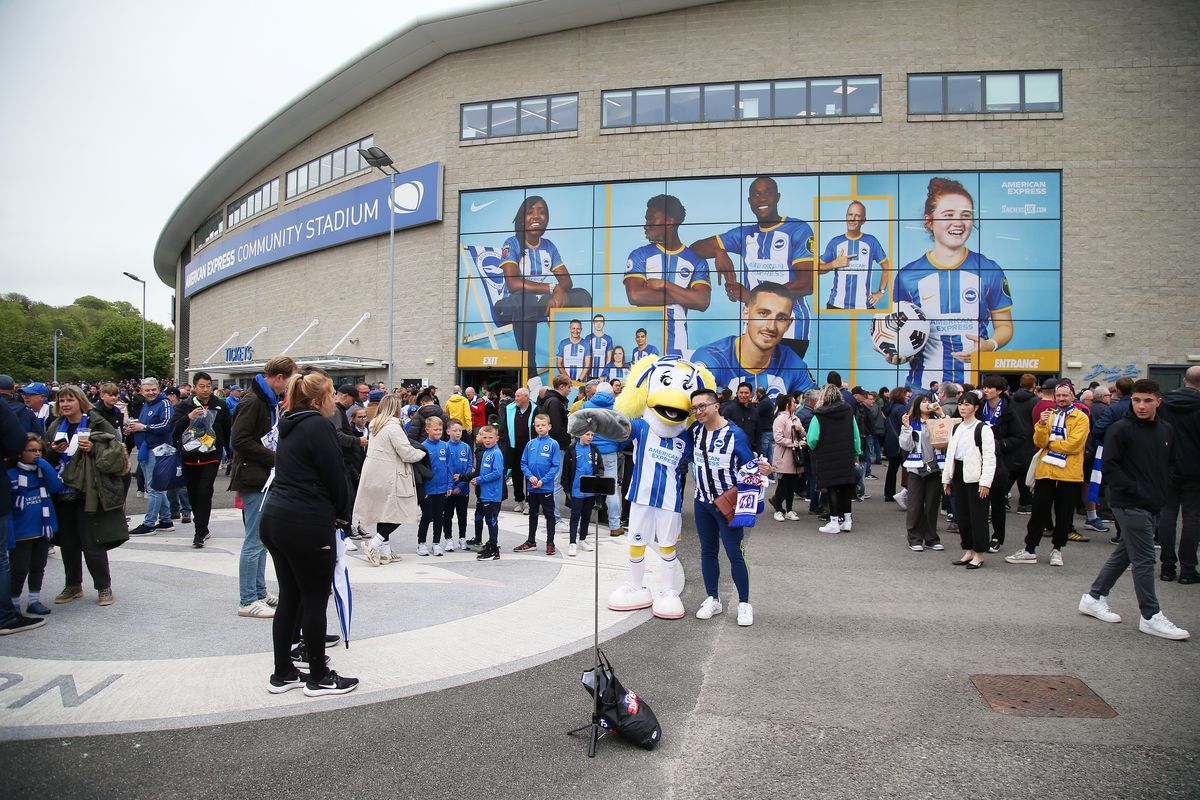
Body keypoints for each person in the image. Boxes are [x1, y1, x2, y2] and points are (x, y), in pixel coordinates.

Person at [259, 371, 358, 696]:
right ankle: (319, 675)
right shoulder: (318, 425)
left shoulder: (290, 423)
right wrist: (343, 515)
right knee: (315, 598)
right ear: (318, 400)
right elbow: (335, 476)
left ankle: (283, 671)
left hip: (277, 517)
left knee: (291, 596)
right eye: (330, 396)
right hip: (305, 521)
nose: (334, 402)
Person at [1079, 379, 1189, 640]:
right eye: (1137, 400)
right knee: (1145, 559)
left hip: (1152, 502)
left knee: (1127, 552)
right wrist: (1137, 491)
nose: (1141, 405)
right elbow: (1110, 467)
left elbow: (1171, 464)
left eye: (1148, 400)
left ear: (1158, 402)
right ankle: (1150, 615)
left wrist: (1161, 492)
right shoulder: (1120, 429)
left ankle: (1094, 597)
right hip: (1127, 503)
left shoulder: (1166, 430)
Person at [892, 177, 1014, 389]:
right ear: (929, 220)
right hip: (923, 389)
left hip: (974, 389)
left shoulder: (989, 269)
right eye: (948, 215)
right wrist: (898, 353)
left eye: (965, 216)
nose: (958, 222)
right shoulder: (907, 275)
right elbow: (899, 330)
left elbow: (1004, 326)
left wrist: (989, 345)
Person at [690, 176, 815, 357]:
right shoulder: (745, 234)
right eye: (756, 194)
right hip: (754, 325)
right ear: (750, 201)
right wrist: (719, 252)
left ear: (777, 197)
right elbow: (696, 248)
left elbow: (806, 284)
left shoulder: (797, 229)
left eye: (768, 193)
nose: (762, 199)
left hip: (790, 326)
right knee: (754, 381)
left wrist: (753, 297)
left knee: (783, 382)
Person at [689, 388, 770, 627]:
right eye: (694, 408)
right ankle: (713, 598)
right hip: (701, 501)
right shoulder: (694, 431)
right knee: (707, 550)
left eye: (702, 406)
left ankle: (744, 603)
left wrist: (765, 469)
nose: (698, 411)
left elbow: (751, 468)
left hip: (726, 505)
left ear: (716, 406)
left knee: (735, 552)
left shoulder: (735, 435)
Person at [43, 385, 127, 607]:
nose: (66, 405)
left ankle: (103, 586)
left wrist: (94, 448)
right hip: (61, 492)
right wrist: (53, 451)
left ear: (81, 401)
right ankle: (73, 585)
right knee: (68, 543)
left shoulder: (96, 422)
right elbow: (42, 457)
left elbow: (117, 451)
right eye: (62, 401)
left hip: (88, 491)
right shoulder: (54, 426)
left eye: (70, 400)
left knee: (92, 542)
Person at [492, 195, 591, 378]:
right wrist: (552, 288)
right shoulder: (512, 243)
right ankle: (530, 370)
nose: (537, 216)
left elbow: (567, 281)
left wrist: (559, 290)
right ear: (522, 218)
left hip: (539, 304)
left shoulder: (549, 246)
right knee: (526, 299)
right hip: (510, 306)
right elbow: (513, 283)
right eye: (530, 212)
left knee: (583, 296)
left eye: (542, 212)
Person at [230, 356, 297, 618]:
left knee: (261, 540)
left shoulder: (265, 400)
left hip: (262, 476)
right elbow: (240, 440)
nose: (289, 386)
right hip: (254, 477)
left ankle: (257, 592)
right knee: (255, 541)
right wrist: (276, 457)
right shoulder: (254, 401)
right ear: (279, 377)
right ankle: (247, 599)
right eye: (289, 379)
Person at [1006, 381, 1089, 567]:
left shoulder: (1081, 418)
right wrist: (1042, 425)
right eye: (1058, 395)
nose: (1061, 399)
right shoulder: (1049, 416)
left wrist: (1052, 444)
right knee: (1039, 512)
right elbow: (1039, 442)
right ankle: (1030, 549)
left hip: (1069, 473)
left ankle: (1057, 549)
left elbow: (1074, 445)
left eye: (1065, 395)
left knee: (1064, 513)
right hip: (1046, 471)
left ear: (1072, 397)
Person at [692, 282, 817, 400]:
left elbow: (816, 407)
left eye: (781, 318)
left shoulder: (793, 363)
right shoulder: (712, 358)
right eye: (763, 313)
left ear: (788, 325)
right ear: (746, 313)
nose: (771, 326)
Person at [623, 195, 712, 358]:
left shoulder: (695, 260)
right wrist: (685, 295)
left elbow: (702, 301)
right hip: (648, 350)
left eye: (651, 219)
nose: (646, 225)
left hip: (678, 348)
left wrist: (665, 284)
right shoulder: (639, 255)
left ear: (670, 221)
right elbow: (635, 295)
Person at [354, 395, 430, 567]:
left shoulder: (374, 424)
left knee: (384, 511)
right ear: (396, 408)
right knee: (400, 511)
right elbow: (406, 452)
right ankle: (374, 543)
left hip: (374, 473)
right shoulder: (393, 427)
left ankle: (386, 551)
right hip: (391, 474)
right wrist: (423, 453)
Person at [0, 399, 46, 635]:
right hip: (19, 522)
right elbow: (15, 440)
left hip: (38, 525)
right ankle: (7, 613)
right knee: (8, 562)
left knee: (34, 563)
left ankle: (23, 603)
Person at [171, 372, 231, 549]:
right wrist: (189, 417)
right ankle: (201, 525)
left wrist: (229, 452)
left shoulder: (220, 405)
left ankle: (200, 531)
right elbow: (174, 429)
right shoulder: (185, 405)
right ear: (194, 387)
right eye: (202, 386)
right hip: (190, 455)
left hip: (211, 456)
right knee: (193, 493)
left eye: (208, 386)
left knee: (205, 491)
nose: (206, 390)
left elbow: (227, 429)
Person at [941, 391, 996, 569]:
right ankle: (968, 550)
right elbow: (951, 454)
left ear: (976, 407)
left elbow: (989, 457)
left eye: (967, 404)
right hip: (959, 474)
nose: (963, 407)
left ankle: (979, 553)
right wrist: (947, 478)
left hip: (975, 476)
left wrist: (985, 482)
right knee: (962, 516)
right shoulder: (957, 427)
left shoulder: (983, 428)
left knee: (977, 517)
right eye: (961, 404)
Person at [8, 433, 61, 616]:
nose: (36, 454)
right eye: (31, 451)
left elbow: (56, 487)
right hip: (21, 529)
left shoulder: (42, 470)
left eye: (39, 450)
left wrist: (45, 464)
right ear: (20, 453)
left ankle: (34, 600)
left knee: (38, 565)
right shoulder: (11, 473)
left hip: (43, 526)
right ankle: (13, 602)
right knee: (19, 568)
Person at [1157, 366, 1200, 583]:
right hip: (1194, 469)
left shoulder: (1165, 404)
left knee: (1167, 515)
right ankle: (1188, 569)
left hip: (1168, 466)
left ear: (1185, 380)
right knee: (1192, 517)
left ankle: (1167, 566)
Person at [807, 385, 861, 534]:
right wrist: (856, 453)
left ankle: (834, 522)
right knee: (845, 488)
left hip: (827, 456)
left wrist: (813, 448)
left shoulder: (819, 414)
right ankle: (848, 521)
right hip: (846, 455)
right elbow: (855, 435)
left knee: (832, 488)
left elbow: (812, 439)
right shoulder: (848, 411)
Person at [818, 201, 891, 309]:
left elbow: (887, 266)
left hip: (864, 307)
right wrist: (833, 264)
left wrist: (881, 292)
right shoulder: (835, 242)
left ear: (863, 220)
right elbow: (815, 269)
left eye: (857, 215)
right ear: (846, 217)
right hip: (836, 305)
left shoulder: (872, 241)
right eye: (850, 214)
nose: (852, 218)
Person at [979, 374, 1023, 551]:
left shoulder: (1010, 410)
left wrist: (999, 444)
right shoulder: (979, 407)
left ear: (1000, 391)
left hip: (1000, 462)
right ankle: (980, 536)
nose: (986, 390)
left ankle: (997, 536)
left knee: (997, 502)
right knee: (979, 501)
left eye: (990, 388)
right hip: (979, 459)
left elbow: (1019, 436)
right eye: (985, 387)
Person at [898, 393, 946, 552]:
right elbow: (905, 446)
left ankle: (931, 538)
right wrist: (906, 429)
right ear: (916, 405)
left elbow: (948, 437)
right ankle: (914, 538)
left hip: (935, 467)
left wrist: (941, 415)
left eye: (928, 401)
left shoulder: (938, 421)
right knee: (915, 505)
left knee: (932, 504)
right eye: (923, 402)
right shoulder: (910, 422)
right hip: (916, 468)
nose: (927, 404)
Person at [127, 378, 175, 535]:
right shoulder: (146, 404)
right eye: (147, 390)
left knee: (154, 488)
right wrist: (134, 428)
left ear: (159, 389)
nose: (151, 392)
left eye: (153, 389)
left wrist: (144, 427)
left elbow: (167, 425)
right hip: (146, 450)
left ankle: (149, 524)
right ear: (141, 391)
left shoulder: (165, 403)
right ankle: (166, 520)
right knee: (157, 488)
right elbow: (144, 426)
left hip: (159, 450)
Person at [578, 381, 625, 537]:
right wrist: (617, 447)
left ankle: (580, 524)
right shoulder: (617, 408)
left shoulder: (586, 406)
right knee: (611, 489)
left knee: (585, 487)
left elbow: (576, 428)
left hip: (589, 452)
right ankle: (615, 526)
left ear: (596, 392)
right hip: (610, 453)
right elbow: (624, 432)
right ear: (611, 393)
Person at [514, 413, 561, 555]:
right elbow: (523, 463)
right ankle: (531, 541)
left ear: (549, 426)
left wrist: (543, 480)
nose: (540, 428)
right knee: (532, 514)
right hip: (532, 487)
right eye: (537, 425)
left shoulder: (553, 444)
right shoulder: (530, 444)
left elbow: (555, 466)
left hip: (545, 487)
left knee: (549, 515)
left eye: (543, 425)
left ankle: (550, 543)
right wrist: (530, 477)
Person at [417, 416, 453, 556]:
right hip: (428, 489)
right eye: (435, 429)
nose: (439, 432)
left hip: (442, 488)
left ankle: (436, 543)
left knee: (439, 516)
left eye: (440, 429)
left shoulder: (445, 446)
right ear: (427, 430)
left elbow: (449, 467)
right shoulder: (423, 447)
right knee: (426, 516)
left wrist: (449, 485)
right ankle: (421, 543)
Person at [471, 425, 505, 560]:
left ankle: (494, 549)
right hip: (486, 493)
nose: (487, 440)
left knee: (492, 520)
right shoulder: (487, 452)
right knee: (488, 520)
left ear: (496, 438)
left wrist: (480, 479)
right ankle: (490, 544)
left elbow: (497, 472)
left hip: (493, 494)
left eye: (490, 437)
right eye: (484, 437)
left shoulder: (496, 453)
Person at [565, 430, 601, 557]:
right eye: (587, 434)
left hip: (590, 492)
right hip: (576, 491)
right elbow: (566, 471)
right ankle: (572, 543)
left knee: (586, 516)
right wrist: (567, 490)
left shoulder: (595, 449)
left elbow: (600, 467)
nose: (590, 437)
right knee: (575, 517)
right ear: (580, 434)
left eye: (592, 435)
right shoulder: (571, 449)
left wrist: (598, 480)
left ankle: (582, 539)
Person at [769, 393, 804, 521]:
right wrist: (795, 443)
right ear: (788, 405)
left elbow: (803, 433)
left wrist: (800, 430)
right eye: (794, 402)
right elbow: (778, 438)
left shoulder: (796, 418)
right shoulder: (780, 419)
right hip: (784, 456)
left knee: (792, 485)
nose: (796, 404)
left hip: (795, 457)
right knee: (783, 484)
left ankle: (789, 509)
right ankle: (778, 509)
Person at [500, 387, 534, 513]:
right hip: (514, 448)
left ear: (526, 397)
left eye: (518, 396)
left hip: (530, 448)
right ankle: (520, 501)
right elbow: (504, 426)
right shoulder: (511, 409)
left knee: (530, 475)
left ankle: (530, 503)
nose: (516, 399)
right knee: (516, 475)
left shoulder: (535, 409)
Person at [1009, 373, 1039, 513]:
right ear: (1034, 385)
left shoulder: (1011, 400)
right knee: (1025, 472)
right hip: (1029, 439)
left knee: (1011, 470)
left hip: (1013, 438)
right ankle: (1025, 503)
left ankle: (1002, 498)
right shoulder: (1035, 401)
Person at [442, 419, 474, 551]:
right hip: (448, 489)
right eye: (455, 430)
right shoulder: (445, 447)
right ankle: (448, 539)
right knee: (447, 514)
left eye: (460, 430)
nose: (458, 433)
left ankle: (462, 538)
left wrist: (460, 486)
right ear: (448, 431)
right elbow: (445, 468)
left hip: (463, 489)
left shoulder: (466, 448)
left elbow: (469, 467)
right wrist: (451, 486)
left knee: (462, 515)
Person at [884, 387, 910, 506]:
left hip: (891, 441)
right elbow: (905, 424)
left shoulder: (891, 407)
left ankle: (889, 493)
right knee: (908, 470)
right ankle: (906, 493)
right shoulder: (901, 409)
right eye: (905, 395)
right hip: (899, 443)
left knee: (892, 469)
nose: (907, 396)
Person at [721, 383, 760, 452]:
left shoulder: (755, 411)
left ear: (751, 394)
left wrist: (757, 450)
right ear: (737, 393)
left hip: (750, 449)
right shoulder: (729, 409)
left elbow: (757, 433)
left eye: (746, 393)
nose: (743, 395)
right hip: (732, 450)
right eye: (741, 392)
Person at [556, 319, 591, 386]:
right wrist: (568, 380)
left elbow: (587, 364)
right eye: (573, 328)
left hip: (581, 381)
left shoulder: (586, 343)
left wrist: (579, 380)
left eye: (578, 329)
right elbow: (559, 364)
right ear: (569, 329)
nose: (575, 331)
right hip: (565, 382)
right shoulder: (563, 343)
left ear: (581, 329)